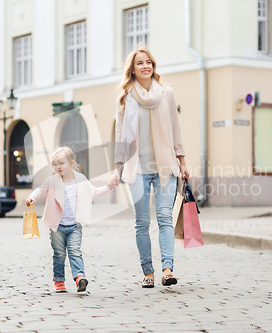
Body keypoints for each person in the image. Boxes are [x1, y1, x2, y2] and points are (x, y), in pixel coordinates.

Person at [108, 47, 189, 288]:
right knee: (142, 222)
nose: (146, 66)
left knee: (165, 217)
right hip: (137, 169)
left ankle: (167, 269)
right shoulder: (126, 98)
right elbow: (121, 137)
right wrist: (117, 167)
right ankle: (148, 273)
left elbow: (175, 128)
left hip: (165, 166)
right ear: (132, 69)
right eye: (140, 63)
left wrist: (182, 161)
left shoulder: (167, 94)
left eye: (149, 63)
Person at [26, 146, 116, 293]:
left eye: (62, 163)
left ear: (72, 163)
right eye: (55, 164)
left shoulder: (80, 180)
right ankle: (59, 281)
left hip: (75, 226)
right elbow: (40, 190)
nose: (58, 167)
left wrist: (108, 187)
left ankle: (80, 277)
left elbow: (95, 192)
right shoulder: (52, 181)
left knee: (75, 251)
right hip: (57, 226)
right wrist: (31, 198)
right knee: (59, 254)